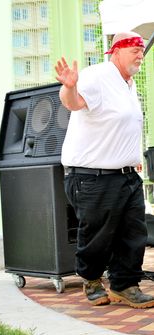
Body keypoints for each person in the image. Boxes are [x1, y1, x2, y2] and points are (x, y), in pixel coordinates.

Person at [55, 31, 154, 308]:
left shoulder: (128, 83)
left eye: (142, 48)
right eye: (134, 48)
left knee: (133, 233)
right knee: (98, 233)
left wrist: (130, 156)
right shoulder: (97, 76)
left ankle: (126, 285)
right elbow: (72, 103)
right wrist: (70, 87)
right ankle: (92, 279)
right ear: (116, 51)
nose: (140, 53)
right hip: (91, 176)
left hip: (126, 175)